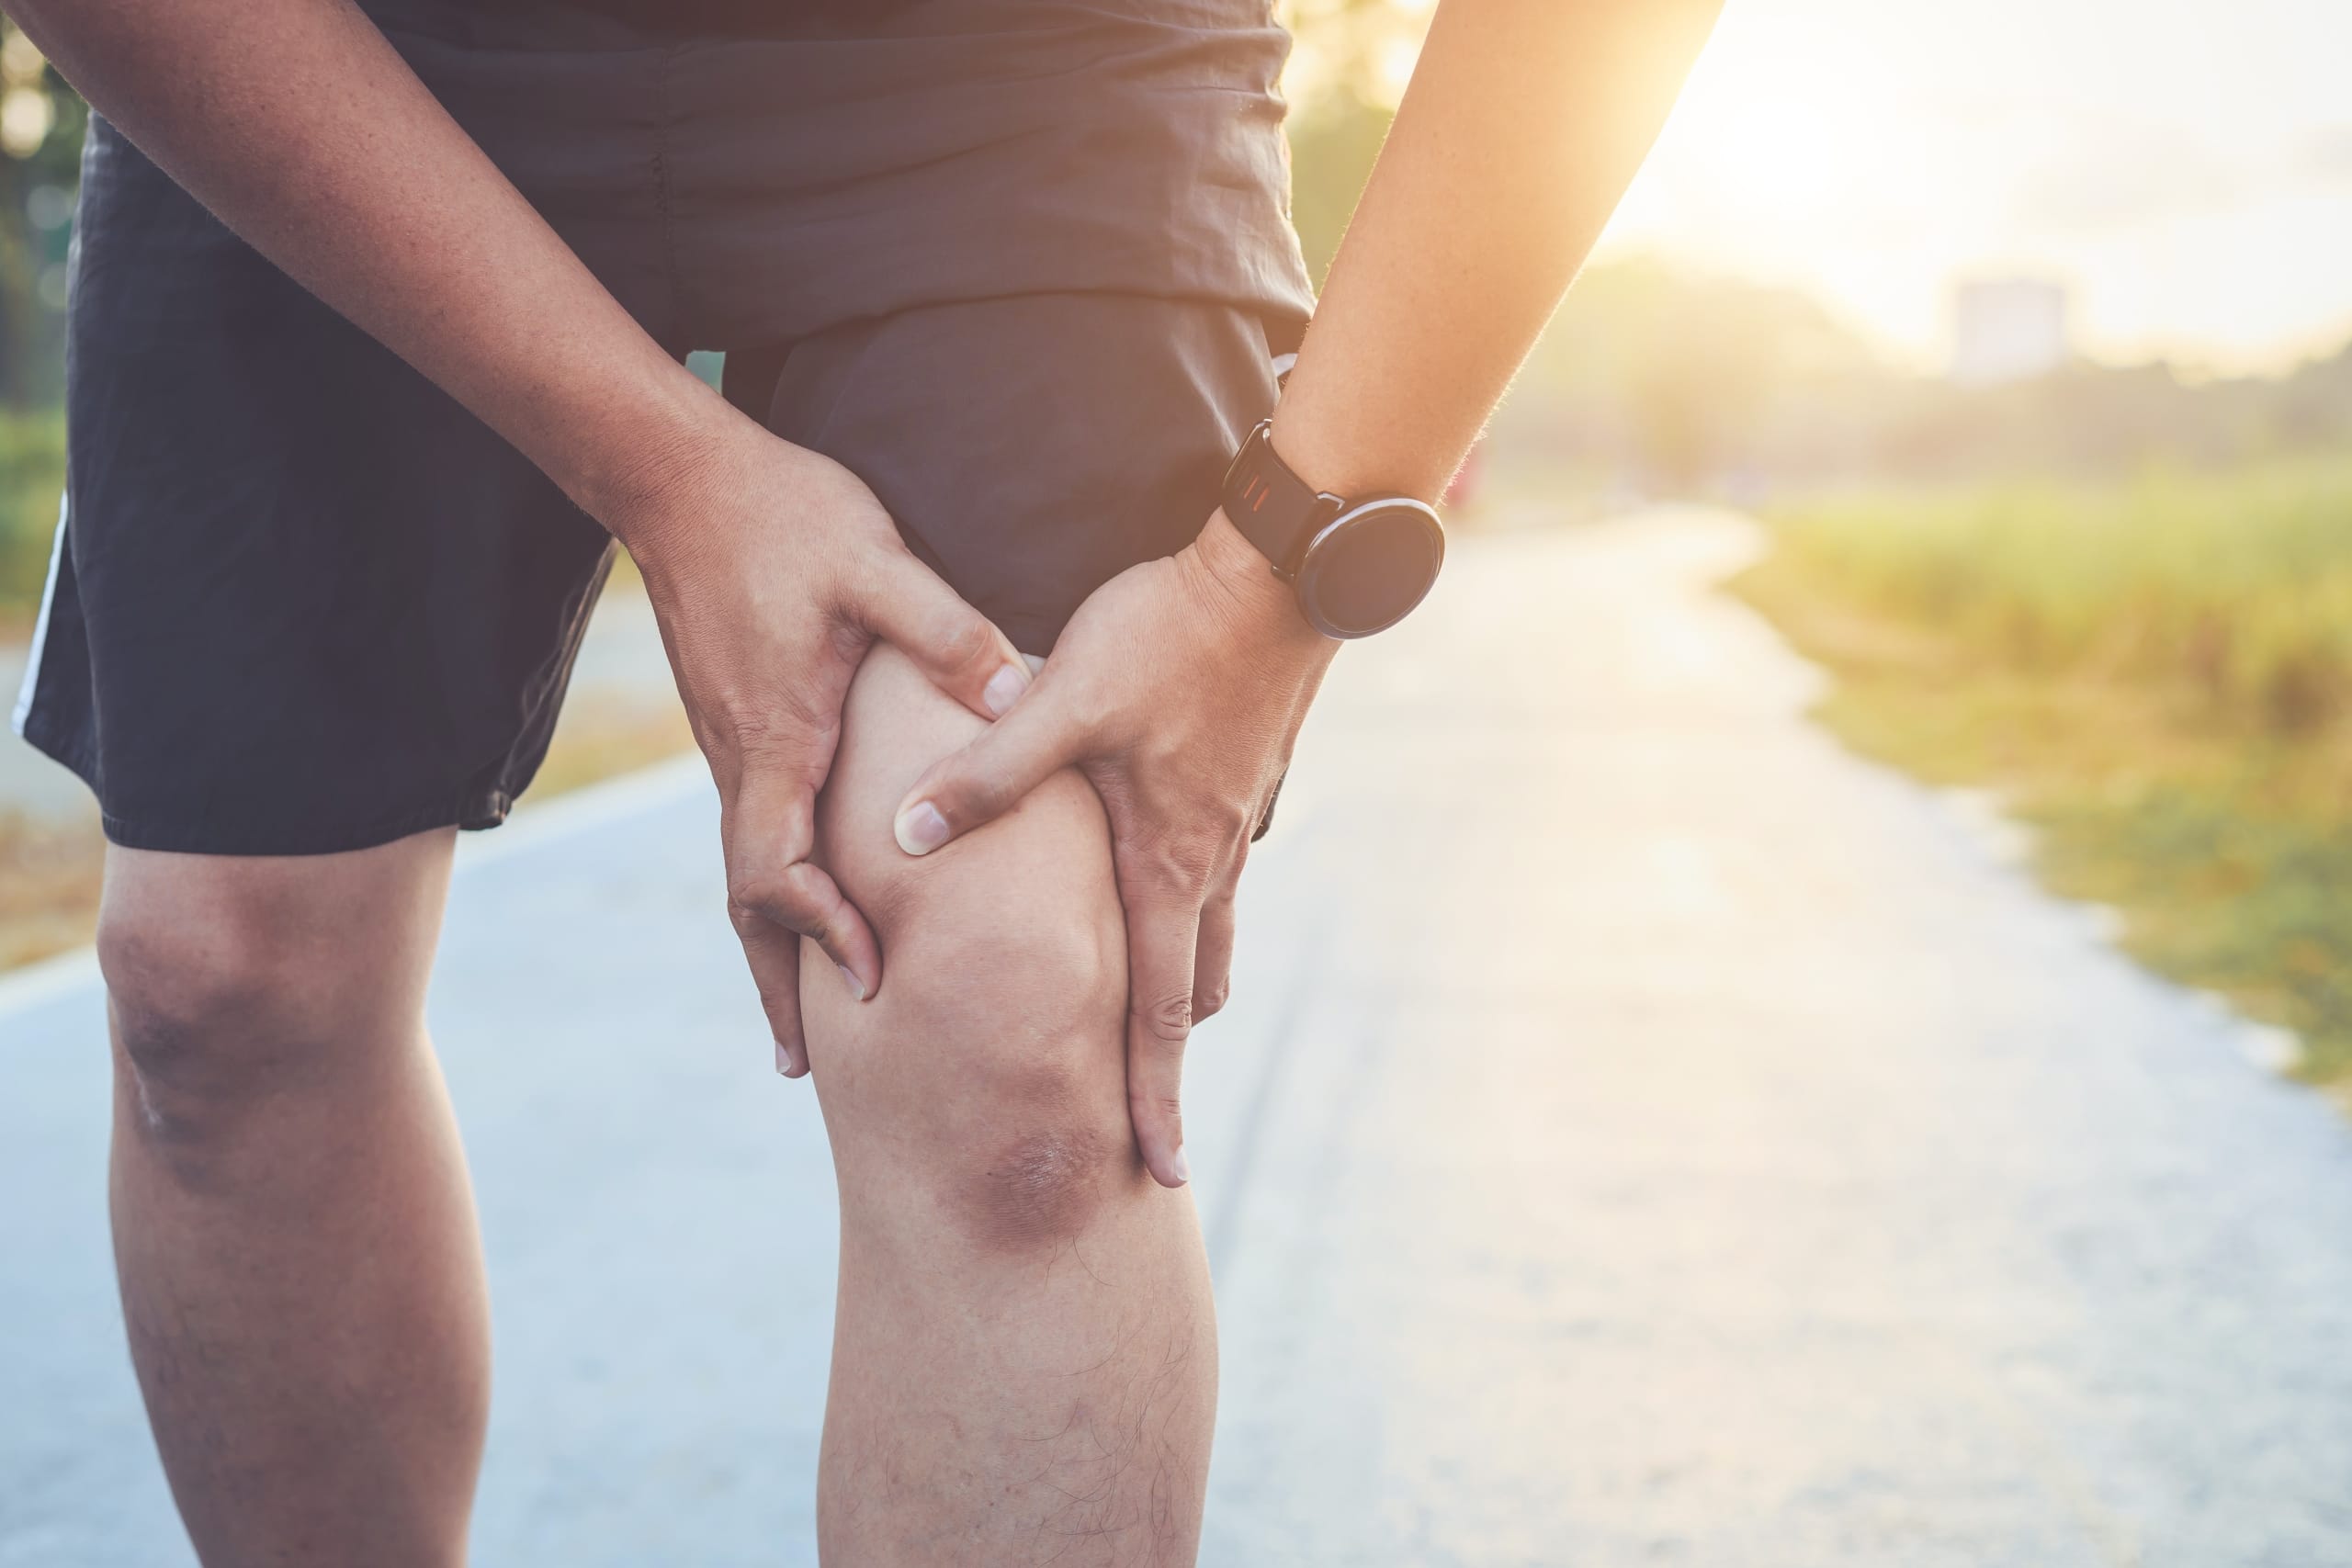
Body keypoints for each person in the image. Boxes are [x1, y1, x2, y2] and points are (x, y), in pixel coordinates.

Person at [7, 0, 1722, 1559]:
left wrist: (1265, 586)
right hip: (353, 47)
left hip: (1025, 69)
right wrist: (669, 477)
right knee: (222, 988)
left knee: (1007, 999)